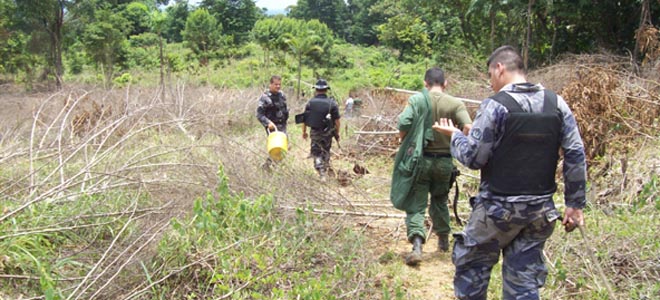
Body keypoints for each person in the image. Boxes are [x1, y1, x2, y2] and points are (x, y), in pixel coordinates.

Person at [432, 45, 587, 300]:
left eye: (491, 76)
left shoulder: (495, 106)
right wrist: (575, 204)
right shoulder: (556, 103)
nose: (491, 83)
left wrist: (456, 137)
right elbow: (575, 153)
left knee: (472, 273)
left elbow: (473, 158)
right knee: (524, 284)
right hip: (539, 212)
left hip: (497, 212)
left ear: (499, 68)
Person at [390, 67, 472, 266]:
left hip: (421, 161)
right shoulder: (455, 103)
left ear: (425, 83)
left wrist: (405, 140)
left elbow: (404, 122)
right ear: (445, 84)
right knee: (440, 200)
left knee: (416, 204)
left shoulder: (417, 100)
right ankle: (443, 242)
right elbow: (469, 127)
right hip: (444, 162)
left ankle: (417, 245)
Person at [301, 79, 341, 181]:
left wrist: (304, 132)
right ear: (326, 90)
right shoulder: (332, 103)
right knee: (326, 151)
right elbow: (337, 121)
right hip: (328, 133)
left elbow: (304, 119)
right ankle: (325, 169)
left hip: (315, 133)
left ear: (316, 90)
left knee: (316, 153)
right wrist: (337, 132)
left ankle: (322, 172)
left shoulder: (310, 103)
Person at [256, 75, 289, 169]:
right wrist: (268, 123)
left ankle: (270, 166)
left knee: (283, 147)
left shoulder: (281, 95)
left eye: (279, 84)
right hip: (272, 127)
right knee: (277, 147)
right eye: (276, 84)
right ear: (270, 84)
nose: (278, 86)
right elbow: (259, 115)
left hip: (282, 125)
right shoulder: (265, 98)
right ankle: (271, 167)